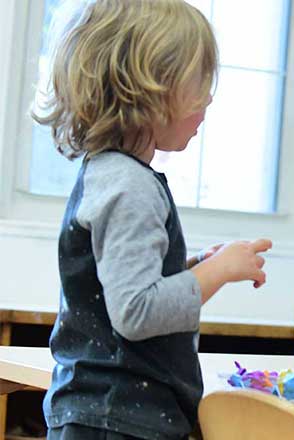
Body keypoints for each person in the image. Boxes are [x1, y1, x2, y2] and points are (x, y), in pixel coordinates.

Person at [33, 1, 272, 439]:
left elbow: (121, 289)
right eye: (199, 82)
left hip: (106, 414)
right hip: (119, 419)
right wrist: (215, 273)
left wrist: (194, 267)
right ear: (152, 90)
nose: (209, 98)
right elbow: (137, 311)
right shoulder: (129, 187)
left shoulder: (112, 174)